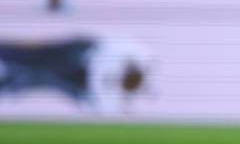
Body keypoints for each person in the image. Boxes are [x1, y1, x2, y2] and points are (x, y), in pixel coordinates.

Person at [0, 37, 150, 114]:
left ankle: (7, 80)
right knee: (33, 57)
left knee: (37, 78)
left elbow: (98, 102)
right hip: (81, 57)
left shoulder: (111, 96)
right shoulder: (126, 56)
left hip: (80, 83)